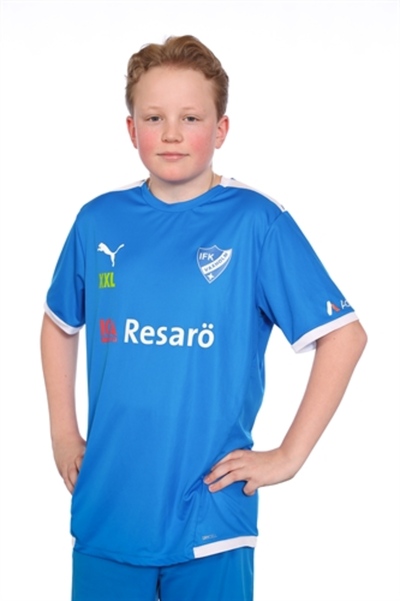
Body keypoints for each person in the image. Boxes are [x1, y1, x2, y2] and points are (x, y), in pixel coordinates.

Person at [40, 35, 367, 601]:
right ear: (131, 129)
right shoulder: (98, 221)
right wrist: (64, 434)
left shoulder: (256, 222)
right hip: (108, 510)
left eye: (190, 117)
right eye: (154, 117)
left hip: (210, 518)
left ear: (221, 129)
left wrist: (288, 456)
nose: (171, 133)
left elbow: (345, 336)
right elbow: (58, 324)